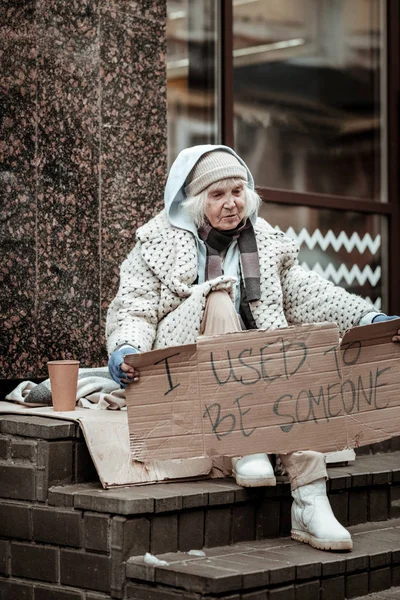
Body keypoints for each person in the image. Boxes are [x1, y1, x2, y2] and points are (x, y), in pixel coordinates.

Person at [106, 145, 400, 552]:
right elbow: (136, 307)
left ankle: (310, 499)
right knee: (220, 297)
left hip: (252, 368)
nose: (231, 204)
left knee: (288, 353)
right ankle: (245, 445)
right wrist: (125, 347)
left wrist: (369, 319)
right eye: (217, 195)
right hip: (184, 367)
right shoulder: (159, 242)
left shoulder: (265, 242)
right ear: (195, 202)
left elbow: (312, 293)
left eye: (237, 191)